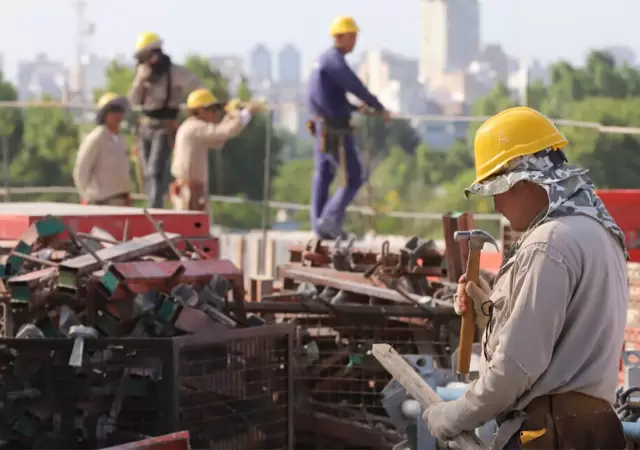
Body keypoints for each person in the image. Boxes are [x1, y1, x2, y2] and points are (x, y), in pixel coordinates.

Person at [423, 106, 629, 449]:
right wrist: (491, 313)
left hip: (550, 435)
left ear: (525, 180)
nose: (495, 206)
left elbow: (514, 370)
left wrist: (451, 415)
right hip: (592, 433)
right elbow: (564, 339)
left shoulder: (547, 244)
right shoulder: (598, 232)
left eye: (497, 189)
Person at [306, 15, 391, 239]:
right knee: (354, 176)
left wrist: (353, 108)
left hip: (322, 126)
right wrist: (379, 107)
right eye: (352, 37)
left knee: (323, 175)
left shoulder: (323, 60)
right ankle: (330, 220)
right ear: (339, 37)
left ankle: (319, 226)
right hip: (335, 130)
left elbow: (327, 96)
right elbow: (355, 85)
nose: (355, 41)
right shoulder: (335, 61)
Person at [128, 31, 204, 209]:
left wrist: (195, 106)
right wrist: (140, 80)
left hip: (164, 127)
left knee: (156, 170)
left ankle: (155, 209)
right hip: (144, 127)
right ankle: (152, 204)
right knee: (147, 172)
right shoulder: (143, 74)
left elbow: (198, 86)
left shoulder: (175, 72)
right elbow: (133, 100)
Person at [169, 90, 256, 211]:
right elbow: (225, 132)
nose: (215, 113)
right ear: (199, 110)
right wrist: (243, 115)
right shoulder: (196, 127)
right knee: (194, 227)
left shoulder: (190, 126)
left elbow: (219, 139)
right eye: (211, 109)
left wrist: (230, 116)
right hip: (190, 192)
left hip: (188, 190)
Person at [73, 92, 132, 206]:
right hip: (101, 202)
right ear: (104, 114)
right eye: (113, 110)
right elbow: (81, 171)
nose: (118, 114)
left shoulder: (120, 139)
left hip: (121, 202)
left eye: (120, 110)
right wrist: (86, 196)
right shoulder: (95, 138)